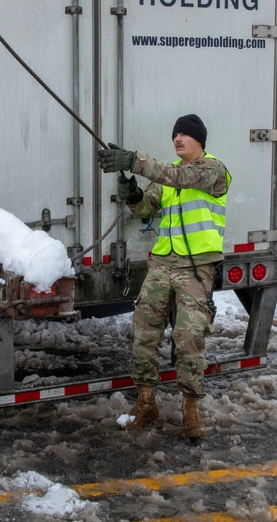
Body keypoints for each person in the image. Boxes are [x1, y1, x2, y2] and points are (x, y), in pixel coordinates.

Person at [97, 114, 230, 440]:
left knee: (188, 339)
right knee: (144, 333)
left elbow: (179, 177)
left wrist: (134, 160)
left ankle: (190, 408)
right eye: (175, 135)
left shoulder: (213, 170)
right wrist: (133, 195)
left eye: (185, 134)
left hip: (196, 268)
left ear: (200, 139)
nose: (178, 139)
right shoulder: (169, 178)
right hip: (162, 265)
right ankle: (145, 402)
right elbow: (145, 209)